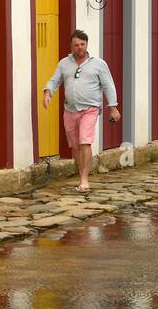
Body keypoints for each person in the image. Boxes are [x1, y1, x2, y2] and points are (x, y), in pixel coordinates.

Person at [42, 29, 120, 193]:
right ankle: (81, 176)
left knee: (85, 141)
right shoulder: (64, 63)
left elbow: (108, 85)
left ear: (86, 44)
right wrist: (48, 93)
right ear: (71, 46)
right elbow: (54, 80)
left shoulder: (98, 64)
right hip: (70, 110)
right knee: (76, 146)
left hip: (90, 109)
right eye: (76, 45)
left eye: (82, 44)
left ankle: (85, 180)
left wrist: (113, 108)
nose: (79, 48)